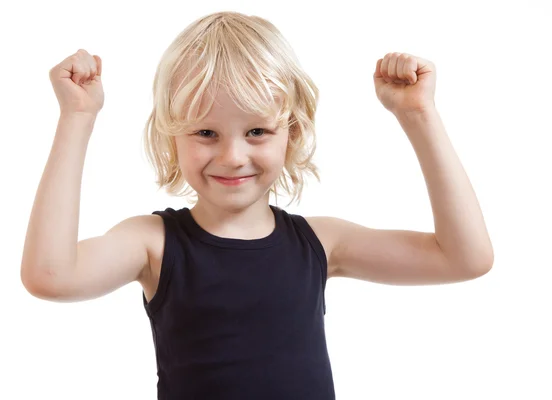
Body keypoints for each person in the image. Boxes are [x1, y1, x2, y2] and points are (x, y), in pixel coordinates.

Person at [20, 10, 494, 400]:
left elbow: (464, 257)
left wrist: (418, 115)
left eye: (257, 131)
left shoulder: (321, 243)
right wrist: (77, 118)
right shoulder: (152, 243)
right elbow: (51, 276)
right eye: (206, 132)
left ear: (292, 132)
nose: (232, 155)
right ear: (172, 136)